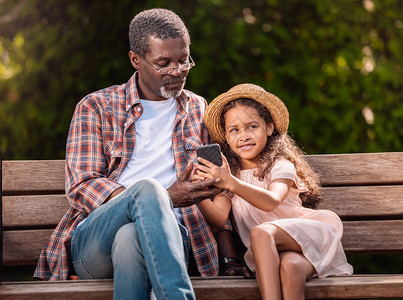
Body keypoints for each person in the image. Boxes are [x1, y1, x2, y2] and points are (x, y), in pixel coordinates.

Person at [33, 8, 248, 300]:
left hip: (174, 237)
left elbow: (216, 185)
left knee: (131, 237)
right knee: (148, 190)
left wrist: (230, 257)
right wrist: (162, 197)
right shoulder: (96, 106)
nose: (178, 70)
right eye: (164, 63)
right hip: (95, 242)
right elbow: (82, 184)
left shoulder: (198, 108)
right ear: (136, 60)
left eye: (183, 60)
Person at [193, 83, 354, 300]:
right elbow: (219, 216)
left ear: (269, 128)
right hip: (276, 255)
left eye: (252, 126)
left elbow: (271, 201)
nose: (244, 136)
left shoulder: (280, 164)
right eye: (234, 130)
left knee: (261, 232)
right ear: (226, 137)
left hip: (307, 238)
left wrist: (230, 183)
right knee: (290, 268)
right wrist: (196, 193)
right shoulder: (232, 175)